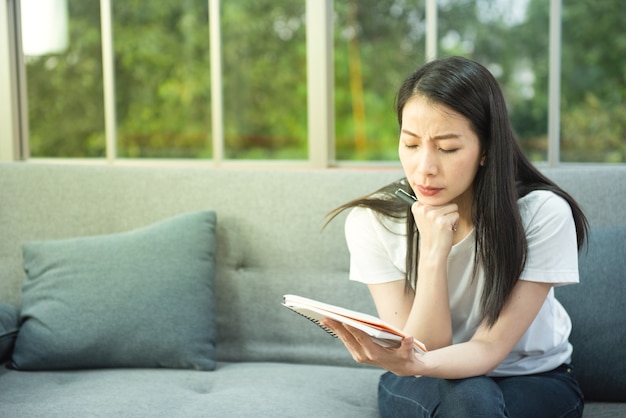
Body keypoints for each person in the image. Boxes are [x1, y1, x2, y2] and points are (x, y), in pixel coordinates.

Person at [322, 56, 588, 418]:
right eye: (411, 144)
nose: (424, 168)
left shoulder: (541, 214)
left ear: (487, 149)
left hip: (531, 378)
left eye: (447, 148)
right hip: (422, 380)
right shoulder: (373, 220)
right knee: (470, 399)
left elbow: (489, 348)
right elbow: (426, 347)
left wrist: (412, 361)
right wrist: (433, 253)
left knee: (471, 399)